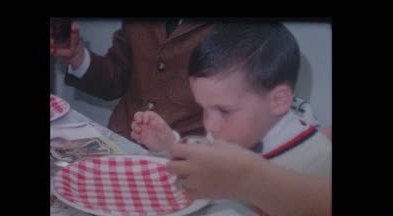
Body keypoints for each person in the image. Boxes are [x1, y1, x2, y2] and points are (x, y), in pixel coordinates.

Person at [130, 22, 331, 216]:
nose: (210, 125)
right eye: (204, 108)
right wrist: (169, 145)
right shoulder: (236, 129)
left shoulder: (318, 158)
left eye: (224, 111)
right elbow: (202, 157)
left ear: (278, 101)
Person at [50, 19, 331, 142]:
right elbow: (117, 75)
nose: (211, 118)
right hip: (122, 143)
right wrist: (76, 56)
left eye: (220, 110)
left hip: (197, 162)